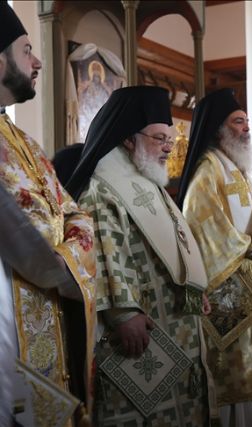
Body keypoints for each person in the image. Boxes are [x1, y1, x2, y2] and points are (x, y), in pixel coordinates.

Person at [67, 86, 214, 425]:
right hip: (140, 329)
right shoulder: (103, 189)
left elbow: (177, 244)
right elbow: (104, 251)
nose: (167, 148)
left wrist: (195, 287)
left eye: (171, 140)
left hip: (174, 323)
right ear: (129, 139)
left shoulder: (148, 181)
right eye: (159, 138)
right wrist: (123, 312)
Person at [178, 88, 252, 426]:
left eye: (247, 122)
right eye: (238, 122)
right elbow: (201, 224)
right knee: (242, 377)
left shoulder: (236, 169)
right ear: (218, 128)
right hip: (237, 291)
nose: (246, 128)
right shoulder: (208, 170)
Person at [0, 2, 96, 419]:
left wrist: (67, 256)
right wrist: (65, 265)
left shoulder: (24, 141)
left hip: (47, 305)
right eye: (25, 50)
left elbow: (73, 211)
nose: (37, 61)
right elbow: (24, 236)